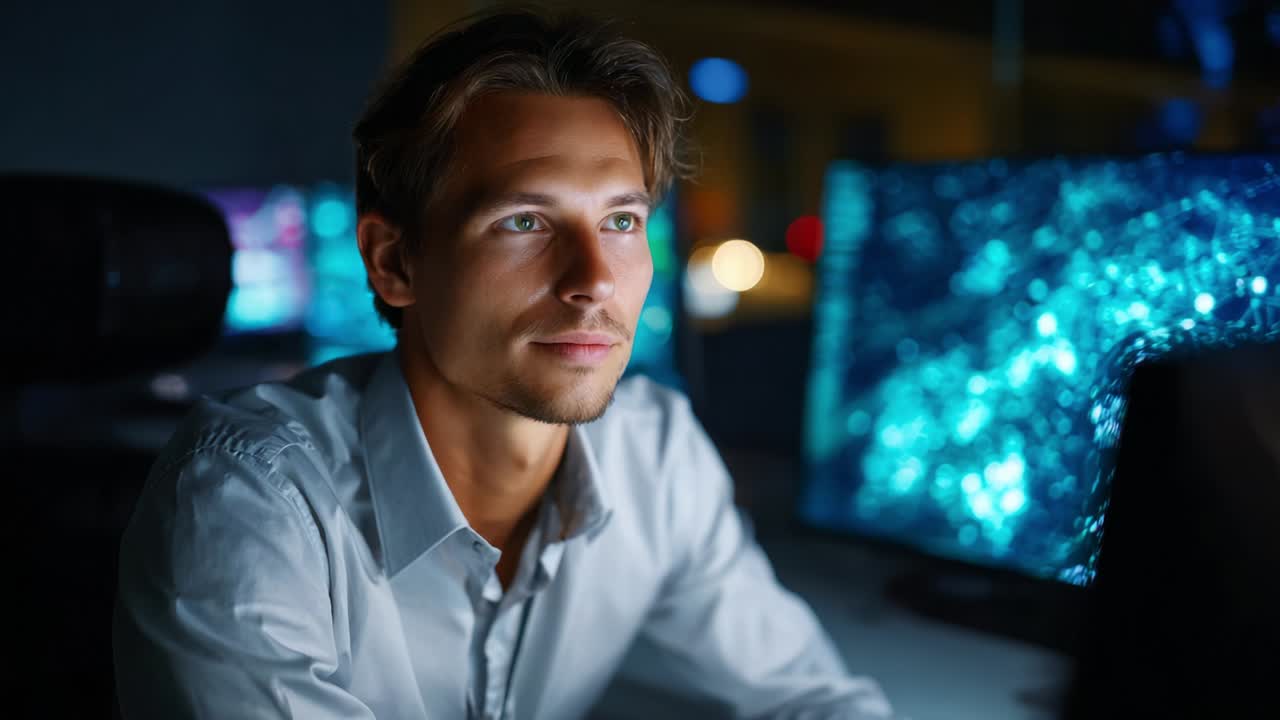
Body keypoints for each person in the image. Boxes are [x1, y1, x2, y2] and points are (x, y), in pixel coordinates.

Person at [113, 9, 895, 719]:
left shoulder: (654, 451)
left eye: (621, 220)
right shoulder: (252, 497)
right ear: (394, 264)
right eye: (525, 220)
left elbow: (807, 697)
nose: (593, 280)